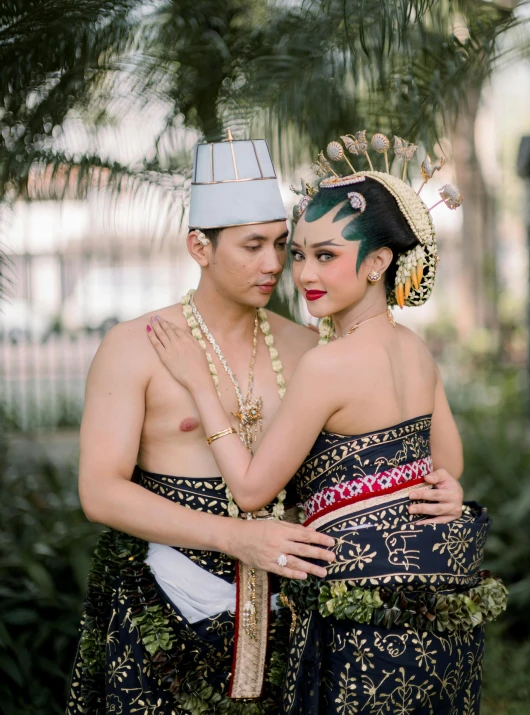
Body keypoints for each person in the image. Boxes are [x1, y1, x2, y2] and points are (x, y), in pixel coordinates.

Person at [146, 131, 507, 714]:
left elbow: (251, 489)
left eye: (327, 255)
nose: (304, 273)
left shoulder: (326, 365)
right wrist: (447, 489)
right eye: (300, 254)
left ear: (379, 262)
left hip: (364, 612)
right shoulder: (414, 348)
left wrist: (198, 382)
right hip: (437, 597)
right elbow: (449, 461)